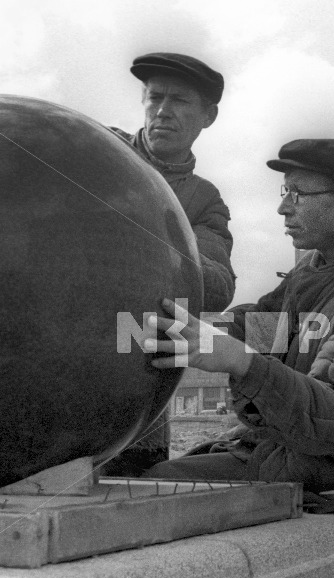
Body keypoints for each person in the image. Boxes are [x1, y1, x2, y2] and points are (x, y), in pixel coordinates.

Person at [140, 138, 334, 525]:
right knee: (147, 480)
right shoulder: (318, 268)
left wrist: (239, 360)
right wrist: (176, 325)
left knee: (148, 492)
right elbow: (265, 325)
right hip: (288, 457)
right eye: (285, 191)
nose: (283, 207)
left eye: (298, 193)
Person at [104, 52, 236, 477]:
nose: (162, 111)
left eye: (179, 100)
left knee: (130, 509)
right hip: (42, 367)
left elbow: (216, 284)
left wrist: (142, 239)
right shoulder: (99, 153)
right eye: (154, 97)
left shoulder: (203, 200)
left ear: (208, 116)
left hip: (134, 392)